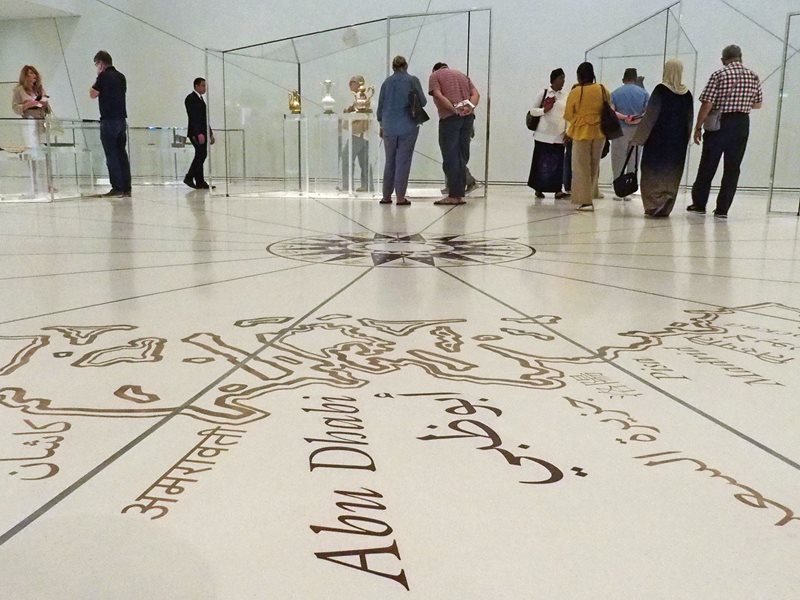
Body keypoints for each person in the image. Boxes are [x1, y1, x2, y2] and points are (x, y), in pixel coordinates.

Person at [688, 44, 763, 219]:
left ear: (724, 59)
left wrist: (698, 126)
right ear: (740, 57)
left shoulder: (719, 74)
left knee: (708, 165)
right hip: (742, 124)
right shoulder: (753, 76)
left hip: (719, 124)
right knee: (732, 168)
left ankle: (699, 203)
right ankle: (722, 209)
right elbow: (757, 104)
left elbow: (707, 103)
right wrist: (741, 103)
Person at [631, 59, 694, 217]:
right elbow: (689, 119)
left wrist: (638, 139)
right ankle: (666, 205)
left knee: (652, 172)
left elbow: (650, 116)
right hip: (677, 143)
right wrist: (686, 140)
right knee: (672, 174)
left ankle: (653, 205)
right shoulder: (687, 94)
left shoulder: (660, 90)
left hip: (657, 140)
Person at [376, 55, 427, 205]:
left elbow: (380, 107)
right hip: (407, 126)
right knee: (403, 161)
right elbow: (422, 101)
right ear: (406, 66)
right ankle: (400, 197)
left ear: (393, 67)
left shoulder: (386, 83)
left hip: (389, 126)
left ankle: (386, 196)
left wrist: (381, 125)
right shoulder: (412, 80)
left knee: (389, 160)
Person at [428, 62, 480, 206]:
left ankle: (453, 195)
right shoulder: (462, 75)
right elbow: (476, 94)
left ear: (435, 70)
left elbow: (438, 95)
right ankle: (459, 194)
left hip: (450, 119)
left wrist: (453, 109)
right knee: (462, 155)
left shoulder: (434, 76)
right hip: (468, 118)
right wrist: (470, 107)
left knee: (450, 156)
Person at [564, 62, 609, 211]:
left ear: (579, 75)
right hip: (600, 131)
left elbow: (569, 114)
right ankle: (592, 192)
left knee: (580, 166)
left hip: (581, 132)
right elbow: (608, 106)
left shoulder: (576, 91)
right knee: (594, 165)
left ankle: (585, 200)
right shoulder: (602, 89)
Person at [90, 50, 131, 197]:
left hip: (108, 120)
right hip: (121, 120)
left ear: (101, 63)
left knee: (111, 154)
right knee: (121, 153)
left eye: (96, 64)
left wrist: (98, 78)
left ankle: (117, 187)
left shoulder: (103, 76)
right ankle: (127, 187)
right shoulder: (121, 77)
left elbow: (92, 94)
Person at [527, 68, 569, 200]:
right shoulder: (543, 93)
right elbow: (533, 111)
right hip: (542, 135)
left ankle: (557, 189)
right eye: (561, 78)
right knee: (541, 163)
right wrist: (545, 110)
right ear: (554, 79)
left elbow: (568, 115)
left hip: (558, 135)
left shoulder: (565, 96)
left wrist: (568, 131)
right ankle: (538, 188)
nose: (563, 81)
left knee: (557, 164)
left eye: (564, 78)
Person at [11, 65, 51, 196]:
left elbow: (47, 105)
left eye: (34, 73)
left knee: (44, 151)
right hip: (29, 121)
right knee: (32, 152)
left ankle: (48, 183)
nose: (33, 76)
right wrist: (28, 104)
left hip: (41, 120)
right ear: (25, 76)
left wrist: (44, 103)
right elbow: (15, 107)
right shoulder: (19, 90)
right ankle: (34, 183)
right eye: (29, 74)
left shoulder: (39, 89)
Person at [610, 68, 649, 200]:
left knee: (618, 160)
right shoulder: (643, 93)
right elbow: (647, 112)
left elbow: (612, 112)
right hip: (637, 131)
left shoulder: (615, 93)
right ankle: (629, 189)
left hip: (620, 130)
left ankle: (618, 190)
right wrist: (635, 118)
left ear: (623, 79)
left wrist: (625, 117)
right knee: (633, 160)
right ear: (635, 78)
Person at [341, 75, 373, 193]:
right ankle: (367, 186)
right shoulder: (359, 98)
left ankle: (347, 185)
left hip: (358, 135)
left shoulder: (361, 98)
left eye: (352, 82)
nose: (350, 85)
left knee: (346, 159)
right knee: (364, 162)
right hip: (363, 136)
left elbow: (359, 114)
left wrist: (348, 111)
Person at [184, 77, 215, 190]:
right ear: (196, 86)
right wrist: (198, 133)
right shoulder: (191, 99)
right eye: (202, 85)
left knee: (201, 154)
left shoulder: (200, 100)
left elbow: (204, 118)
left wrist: (210, 133)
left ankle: (200, 181)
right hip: (196, 133)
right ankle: (189, 176)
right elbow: (194, 118)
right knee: (201, 154)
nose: (204, 88)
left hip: (203, 132)